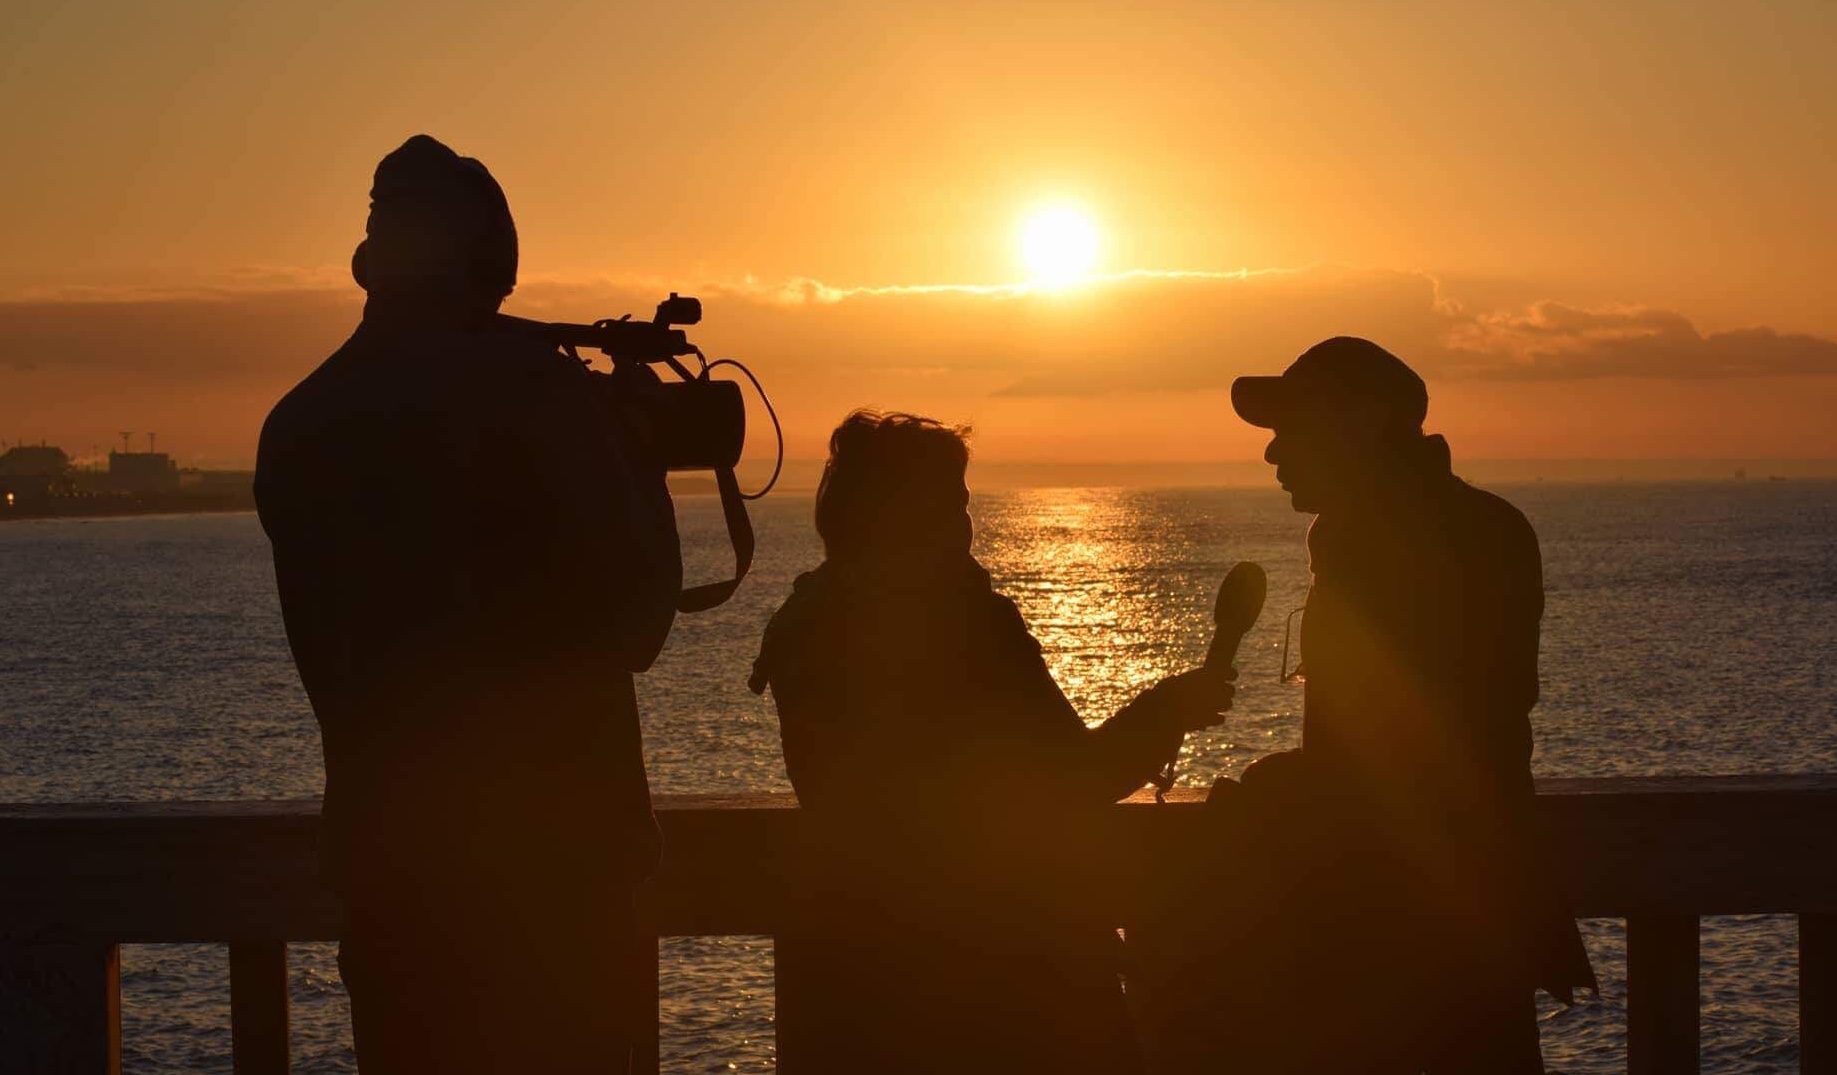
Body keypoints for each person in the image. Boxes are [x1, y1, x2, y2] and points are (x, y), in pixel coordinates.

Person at [254, 135, 682, 1073]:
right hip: (561, 888)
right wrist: (640, 458)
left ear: (371, 264)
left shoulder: (300, 420)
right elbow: (640, 619)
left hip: (393, 877)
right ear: (493, 261)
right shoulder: (543, 395)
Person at [747, 410, 1234, 1074]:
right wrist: (1168, 709)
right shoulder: (968, 621)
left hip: (861, 966)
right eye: (953, 504)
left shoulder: (803, 620)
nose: (964, 525)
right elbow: (1073, 776)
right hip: (1007, 971)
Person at [1220, 337, 1594, 1072]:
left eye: (1292, 427)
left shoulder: (1373, 541)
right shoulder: (1480, 525)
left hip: (1401, 928)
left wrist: (1273, 793)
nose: (1273, 452)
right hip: (1474, 909)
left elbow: (1400, 750)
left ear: (1362, 421)